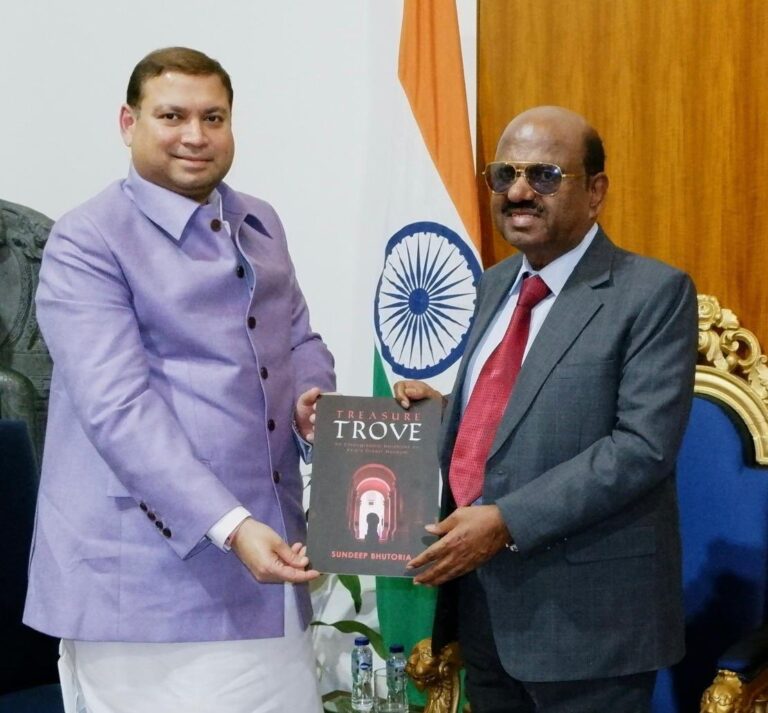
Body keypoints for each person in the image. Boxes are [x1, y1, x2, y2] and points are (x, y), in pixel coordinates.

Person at [23, 47, 335, 713]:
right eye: (172, 115)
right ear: (128, 121)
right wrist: (230, 524)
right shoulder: (89, 239)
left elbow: (297, 336)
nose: (196, 135)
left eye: (213, 116)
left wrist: (315, 400)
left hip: (270, 572)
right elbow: (119, 410)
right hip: (146, 590)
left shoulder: (259, 221)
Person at [394, 106, 698, 713]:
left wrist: (506, 518)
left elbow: (641, 447)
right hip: (483, 608)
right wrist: (445, 413)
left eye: (546, 175)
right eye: (504, 174)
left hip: (589, 620)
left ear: (596, 191)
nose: (520, 191)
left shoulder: (653, 293)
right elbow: (522, 411)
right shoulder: (493, 285)